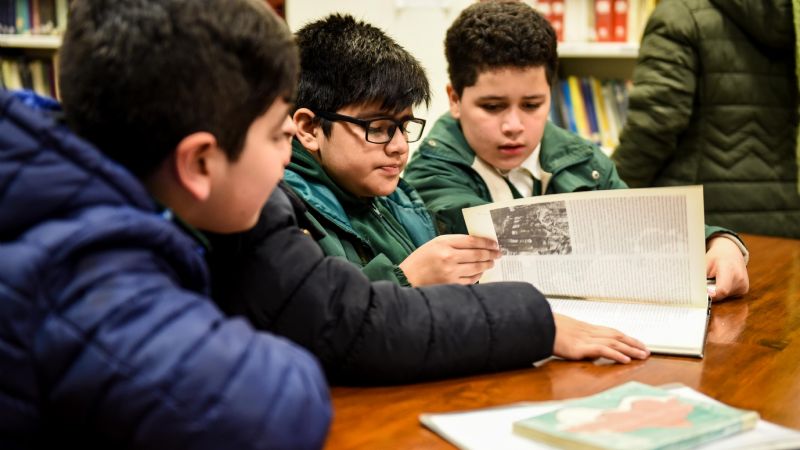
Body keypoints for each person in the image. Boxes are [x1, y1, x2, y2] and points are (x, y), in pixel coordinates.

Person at [204, 14, 650, 386]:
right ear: (307, 128)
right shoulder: (280, 204)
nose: (399, 147)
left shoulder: (388, 187)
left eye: (405, 126)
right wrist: (407, 276)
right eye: (378, 127)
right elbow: (337, 325)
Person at [0, 0, 330, 448]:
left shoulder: (55, 190)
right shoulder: (82, 268)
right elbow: (269, 408)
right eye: (277, 135)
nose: (288, 157)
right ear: (197, 162)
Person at [403, 1, 750, 301]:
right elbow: (513, 254)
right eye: (493, 106)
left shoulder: (584, 159)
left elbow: (636, 223)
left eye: (532, 104)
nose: (513, 125)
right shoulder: (430, 173)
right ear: (455, 99)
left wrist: (717, 242)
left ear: (550, 93)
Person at [611, 0, 800, 239]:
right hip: (784, 220)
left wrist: (609, 194)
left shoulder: (680, 14)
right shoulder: (793, 20)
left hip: (704, 227)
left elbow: (654, 128)